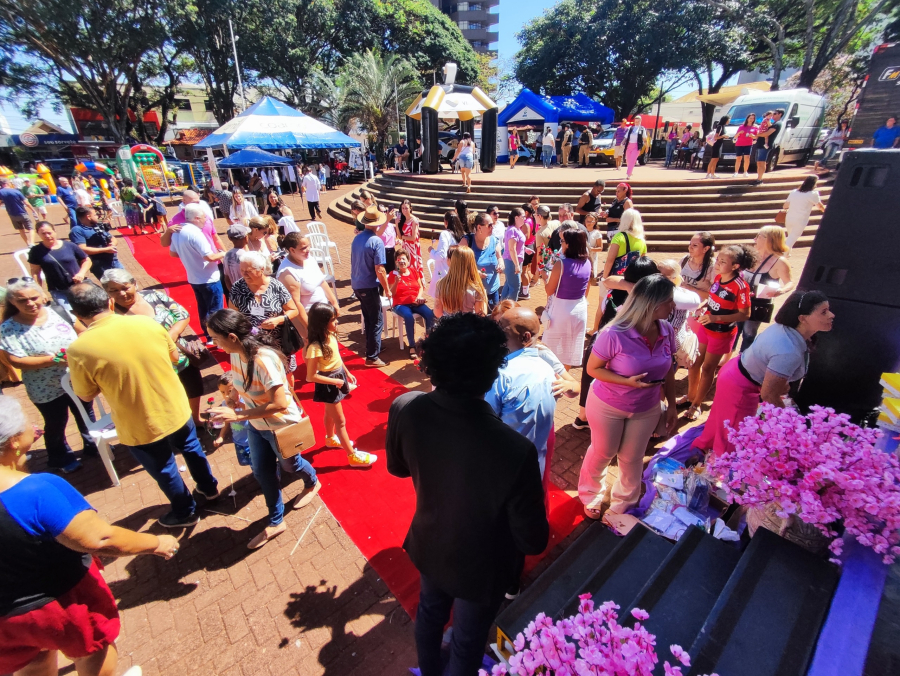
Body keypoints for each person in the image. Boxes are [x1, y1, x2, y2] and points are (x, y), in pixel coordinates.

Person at [387, 313, 549, 676]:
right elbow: (532, 538)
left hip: (429, 542)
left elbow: (397, 468)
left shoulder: (405, 406)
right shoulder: (514, 448)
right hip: (483, 566)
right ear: (494, 373)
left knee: (430, 613)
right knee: (467, 639)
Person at [0, 395, 176, 676]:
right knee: (94, 649)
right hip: (59, 603)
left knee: (32, 661)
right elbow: (100, 539)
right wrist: (156, 542)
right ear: (12, 442)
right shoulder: (35, 490)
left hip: (6, 621)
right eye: (25, 425)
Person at [66, 283, 220, 527]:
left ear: (77, 316)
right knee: (191, 447)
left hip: (139, 421)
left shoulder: (78, 349)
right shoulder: (147, 323)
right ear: (109, 302)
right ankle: (209, 489)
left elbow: (85, 395)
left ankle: (185, 512)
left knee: (165, 467)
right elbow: (173, 356)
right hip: (175, 405)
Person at [206, 310, 320, 549]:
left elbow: (280, 403)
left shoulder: (263, 360)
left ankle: (312, 482)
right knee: (262, 471)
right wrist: (233, 399)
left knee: (291, 465)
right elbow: (240, 381)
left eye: (215, 338)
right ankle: (276, 520)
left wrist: (238, 414)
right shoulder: (236, 354)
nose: (213, 343)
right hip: (257, 425)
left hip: (281, 427)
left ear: (232, 337)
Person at [579, 275, 678, 519]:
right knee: (603, 451)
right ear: (652, 305)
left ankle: (624, 501)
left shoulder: (667, 330)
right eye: (669, 301)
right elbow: (593, 369)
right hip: (607, 404)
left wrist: (673, 405)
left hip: (646, 407)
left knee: (632, 457)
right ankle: (591, 493)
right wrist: (626, 382)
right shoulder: (614, 333)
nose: (673, 306)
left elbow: (670, 372)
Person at [695, 291, 834, 456]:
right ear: (802, 318)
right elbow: (768, 394)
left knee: (724, 428)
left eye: (828, 309)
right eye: (824, 312)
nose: (832, 315)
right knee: (732, 441)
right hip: (739, 388)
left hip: (735, 375)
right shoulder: (788, 350)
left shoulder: (787, 331)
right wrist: (791, 423)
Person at [0, 279, 96, 474]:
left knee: (85, 412)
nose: (30, 303)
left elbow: (83, 332)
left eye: (33, 298)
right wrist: (53, 360)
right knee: (56, 421)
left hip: (75, 377)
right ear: (13, 302)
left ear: (42, 295)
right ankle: (59, 456)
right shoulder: (8, 328)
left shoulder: (59, 312)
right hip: (44, 386)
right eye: (22, 300)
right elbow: (17, 361)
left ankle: (93, 444)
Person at [101, 268, 206, 426]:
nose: (121, 293)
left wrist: (172, 334)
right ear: (107, 292)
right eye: (114, 290)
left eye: (125, 287)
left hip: (181, 356)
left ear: (134, 284)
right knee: (166, 396)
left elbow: (182, 314)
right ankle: (176, 425)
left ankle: (195, 419)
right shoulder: (109, 314)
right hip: (150, 364)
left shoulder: (153, 295)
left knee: (192, 387)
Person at [574, 257, 659, 429]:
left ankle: (583, 416)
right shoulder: (644, 300)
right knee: (605, 382)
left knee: (590, 378)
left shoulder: (616, 290)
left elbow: (608, 283)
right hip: (620, 348)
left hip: (600, 340)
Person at [486, 307, 561, 493]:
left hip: (504, 468)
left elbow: (483, 425)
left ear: (526, 337)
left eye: (503, 329)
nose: (495, 333)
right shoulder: (546, 370)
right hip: (535, 463)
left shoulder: (502, 376)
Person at [684, 244, 757, 421]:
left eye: (723, 262)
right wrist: (704, 306)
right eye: (718, 260)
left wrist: (715, 318)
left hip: (722, 332)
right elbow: (713, 297)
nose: (717, 264)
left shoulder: (741, 286)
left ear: (735, 266)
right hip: (705, 327)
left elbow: (745, 314)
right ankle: (690, 396)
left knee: (708, 368)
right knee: (694, 362)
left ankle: (697, 404)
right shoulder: (717, 277)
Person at [303, 302, 378, 467]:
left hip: (337, 377)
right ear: (323, 323)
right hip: (329, 384)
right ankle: (352, 456)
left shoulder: (331, 335)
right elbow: (310, 376)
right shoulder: (315, 347)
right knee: (341, 421)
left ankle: (330, 438)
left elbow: (337, 356)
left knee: (329, 413)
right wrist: (336, 381)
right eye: (333, 320)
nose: (337, 322)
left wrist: (346, 372)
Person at [229, 251, 300, 374]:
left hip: (277, 343)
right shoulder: (237, 288)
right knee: (259, 376)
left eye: (248, 271)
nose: (244, 274)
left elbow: (293, 310)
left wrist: (278, 320)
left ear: (261, 269)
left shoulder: (276, 286)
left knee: (284, 374)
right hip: (251, 344)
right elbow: (232, 314)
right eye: (242, 270)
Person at [169, 203, 226, 345]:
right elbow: (210, 257)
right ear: (196, 218)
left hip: (194, 278)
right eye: (204, 218)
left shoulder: (178, 232)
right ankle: (216, 337)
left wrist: (189, 255)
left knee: (203, 307)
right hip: (209, 278)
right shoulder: (196, 233)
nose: (206, 221)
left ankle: (208, 335)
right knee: (215, 310)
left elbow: (173, 253)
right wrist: (224, 253)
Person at [542, 226, 592, 370]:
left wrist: (545, 277)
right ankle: (564, 378)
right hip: (580, 309)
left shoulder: (561, 264)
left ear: (569, 244)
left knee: (550, 349)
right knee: (569, 350)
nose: (561, 244)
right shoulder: (587, 262)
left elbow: (549, 290)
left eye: (563, 241)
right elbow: (587, 287)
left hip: (561, 310)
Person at [740, 226, 795, 351]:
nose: (755, 239)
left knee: (748, 333)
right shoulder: (751, 255)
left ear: (769, 239)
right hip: (741, 300)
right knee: (735, 328)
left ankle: (743, 360)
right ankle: (726, 359)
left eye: (759, 236)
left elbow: (790, 282)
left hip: (758, 304)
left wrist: (781, 291)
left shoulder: (780, 262)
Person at [277, 232, 340, 342]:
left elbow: (322, 282)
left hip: (323, 313)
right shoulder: (287, 273)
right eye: (303, 248)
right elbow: (295, 304)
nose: (308, 250)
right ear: (292, 250)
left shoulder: (309, 259)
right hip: (308, 318)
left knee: (331, 344)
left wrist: (334, 303)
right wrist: (310, 328)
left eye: (308, 246)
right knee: (314, 346)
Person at [352, 206, 391, 366]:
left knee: (369, 318)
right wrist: (387, 289)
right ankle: (372, 356)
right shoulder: (376, 241)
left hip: (357, 284)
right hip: (368, 285)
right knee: (376, 319)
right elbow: (380, 269)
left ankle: (372, 348)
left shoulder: (357, 238)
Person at [28, 221, 91, 312]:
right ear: (38, 234)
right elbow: (35, 272)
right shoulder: (36, 251)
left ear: (54, 231)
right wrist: (40, 291)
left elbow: (86, 260)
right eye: (43, 233)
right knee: (70, 315)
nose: (47, 236)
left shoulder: (70, 245)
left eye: (49, 233)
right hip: (58, 290)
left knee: (90, 310)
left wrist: (81, 273)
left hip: (79, 286)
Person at [388, 250, 434, 355]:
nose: (401, 261)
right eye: (399, 259)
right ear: (396, 262)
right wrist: (396, 282)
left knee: (429, 314)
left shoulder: (413, 271)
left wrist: (419, 297)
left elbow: (421, 287)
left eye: (404, 259)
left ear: (408, 261)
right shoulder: (393, 274)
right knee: (408, 317)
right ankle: (412, 345)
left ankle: (428, 342)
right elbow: (391, 293)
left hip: (415, 302)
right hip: (400, 304)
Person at [462, 212, 502, 309]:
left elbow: (499, 257)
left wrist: (501, 263)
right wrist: (474, 272)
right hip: (474, 293)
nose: (493, 227)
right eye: (490, 225)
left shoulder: (494, 240)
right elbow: (457, 264)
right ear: (479, 227)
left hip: (493, 291)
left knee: (494, 321)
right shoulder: (467, 242)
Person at [434, 246, 487, 317]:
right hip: (468, 326)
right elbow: (481, 315)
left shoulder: (441, 284)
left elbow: (437, 312)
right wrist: (484, 296)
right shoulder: (476, 288)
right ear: (472, 264)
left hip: (448, 325)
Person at [70, 206, 121, 279]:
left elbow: (113, 238)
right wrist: (106, 249)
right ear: (88, 217)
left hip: (114, 261)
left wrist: (112, 244)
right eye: (95, 215)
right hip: (100, 264)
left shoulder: (98, 225)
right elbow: (82, 249)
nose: (97, 216)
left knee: (127, 282)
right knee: (113, 286)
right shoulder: (77, 230)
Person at [427, 211, 465, 298]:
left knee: (442, 300)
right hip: (456, 271)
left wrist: (432, 251)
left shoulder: (445, 234)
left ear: (446, 222)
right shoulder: (461, 235)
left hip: (444, 271)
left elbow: (441, 255)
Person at [782, 175, 826, 250]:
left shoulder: (794, 192)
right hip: (800, 219)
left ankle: (787, 253)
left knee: (790, 237)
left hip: (789, 218)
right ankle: (782, 254)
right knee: (792, 238)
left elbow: (785, 206)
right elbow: (820, 206)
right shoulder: (813, 194)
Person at [680, 231, 716, 301]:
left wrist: (692, 290)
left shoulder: (713, 267)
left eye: (695, 245)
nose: (690, 248)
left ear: (705, 249)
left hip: (699, 307)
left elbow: (714, 296)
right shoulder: (684, 260)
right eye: (690, 244)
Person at [500, 207, 528, 301]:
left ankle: (502, 305)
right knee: (515, 286)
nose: (525, 218)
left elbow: (516, 246)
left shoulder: (516, 229)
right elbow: (512, 249)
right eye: (523, 217)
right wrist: (516, 265)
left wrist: (525, 249)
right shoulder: (513, 230)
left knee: (508, 285)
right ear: (516, 218)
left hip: (514, 261)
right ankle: (511, 308)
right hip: (512, 262)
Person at [0, 178, 37, 245]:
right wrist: (33, 210)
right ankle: (31, 243)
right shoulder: (16, 191)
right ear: (7, 183)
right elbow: (26, 203)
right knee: (31, 228)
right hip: (22, 212)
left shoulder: (1, 192)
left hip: (12, 214)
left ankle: (27, 243)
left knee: (21, 230)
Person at [754, 108, 784, 184]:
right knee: (759, 162)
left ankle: (759, 179)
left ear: (780, 114)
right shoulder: (772, 123)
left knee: (762, 161)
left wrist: (756, 134)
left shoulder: (777, 124)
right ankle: (758, 178)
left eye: (775, 113)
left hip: (765, 145)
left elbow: (767, 134)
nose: (773, 115)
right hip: (760, 144)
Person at [398, 199, 424, 278]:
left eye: (406, 208)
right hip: (405, 246)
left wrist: (403, 237)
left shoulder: (414, 220)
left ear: (410, 208)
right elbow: (399, 236)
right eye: (403, 208)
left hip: (412, 247)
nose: (404, 210)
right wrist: (396, 223)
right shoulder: (402, 219)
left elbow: (413, 238)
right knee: (405, 266)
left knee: (413, 267)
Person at [223, 224, 250, 297]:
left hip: (236, 294)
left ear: (229, 238)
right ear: (246, 237)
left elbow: (226, 278)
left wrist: (233, 294)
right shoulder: (247, 256)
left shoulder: (227, 255)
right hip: (249, 294)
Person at [705, 115, 731, 179]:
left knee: (716, 159)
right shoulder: (720, 127)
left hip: (719, 144)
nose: (729, 121)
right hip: (716, 145)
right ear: (725, 120)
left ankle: (712, 173)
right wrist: (723, 136)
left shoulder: (723, 127)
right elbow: (716, 137)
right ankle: (708, 174)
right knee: (713, 159)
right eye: (728, 119)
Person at [733, 113, 758, 178]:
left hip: (748, 144)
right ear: (747, 118)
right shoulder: (741, 126)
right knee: (738, 158)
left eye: (753, 118)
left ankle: (745, 172)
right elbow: (735, 136)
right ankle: (736, 172)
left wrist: (753, 136)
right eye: (750, 118)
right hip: (739, 144)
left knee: (747, 158)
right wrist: (739, 133)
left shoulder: (755, 127)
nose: (751, 120)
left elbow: (756, 137)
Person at [585, 212, 605, 279]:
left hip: (592, 256)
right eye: (588, 221)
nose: (589, 223)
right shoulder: (582, 231)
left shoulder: (597, 233)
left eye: (591, 221)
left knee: (591, 275)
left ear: (595, 222)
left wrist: (590, 249)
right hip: (582, 255)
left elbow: (600, 248)